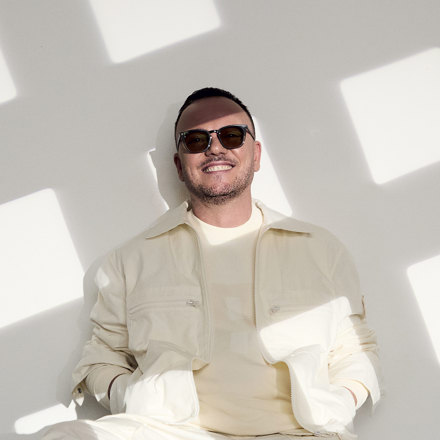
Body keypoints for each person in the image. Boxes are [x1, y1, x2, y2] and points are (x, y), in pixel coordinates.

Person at [43, 87, 381, 440]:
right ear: (179, 164)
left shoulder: (321, 250)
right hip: (171, 432)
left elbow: (356, 349)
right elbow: (102, 357)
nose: (214, 148)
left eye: (232, 136)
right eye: (196, 140)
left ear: (256, 154)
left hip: (298, 433)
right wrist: (133, 396)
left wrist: (342, 401)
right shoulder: (131, 259)